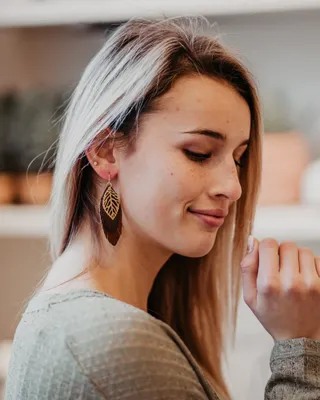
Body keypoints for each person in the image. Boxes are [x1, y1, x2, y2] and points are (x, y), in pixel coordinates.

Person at [5, 17, 320, 400]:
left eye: (238, 158)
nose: (233, 188)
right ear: (106, 151)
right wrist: (299, 346)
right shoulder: (114, 342)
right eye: (199, 153)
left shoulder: (80, 319)